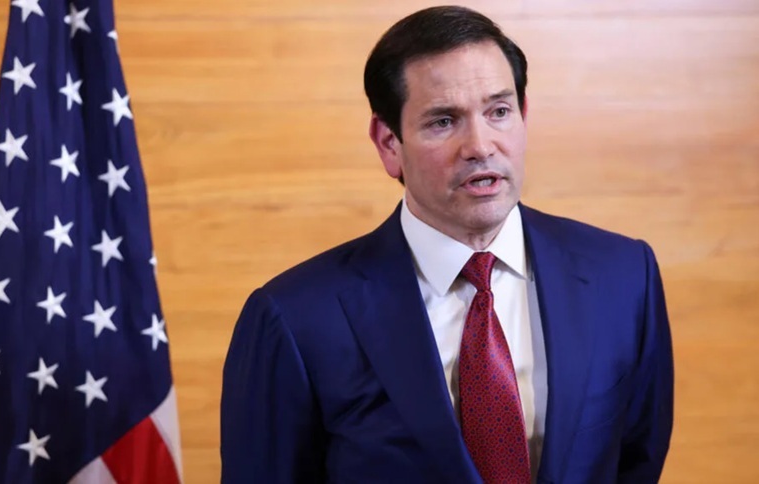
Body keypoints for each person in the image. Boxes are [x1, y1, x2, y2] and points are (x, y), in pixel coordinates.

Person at [220, 6, 673, 484]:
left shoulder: (624, 276)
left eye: (499, 112)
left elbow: (636, 461)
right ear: (389, 143)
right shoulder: (294, 318)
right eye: (443, 121)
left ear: (523, 116)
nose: (480, 146)